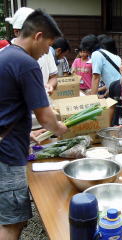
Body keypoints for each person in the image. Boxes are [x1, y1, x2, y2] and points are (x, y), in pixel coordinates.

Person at [0, 9, 68, 240]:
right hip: (7, 153)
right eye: (48, 45)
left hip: (7, 141)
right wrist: (61, 130)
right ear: (38, 36)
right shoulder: (25, 62)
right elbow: (46, 118)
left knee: (11, 216)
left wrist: (22, 131)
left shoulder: (6, 54)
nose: (47, 52)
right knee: (13, 221)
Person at [5, 7, 58, 95]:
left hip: (42, 102)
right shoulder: (6, 54)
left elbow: (53, 77)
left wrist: (50, 86)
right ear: (16, 32)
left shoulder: (44, 50)